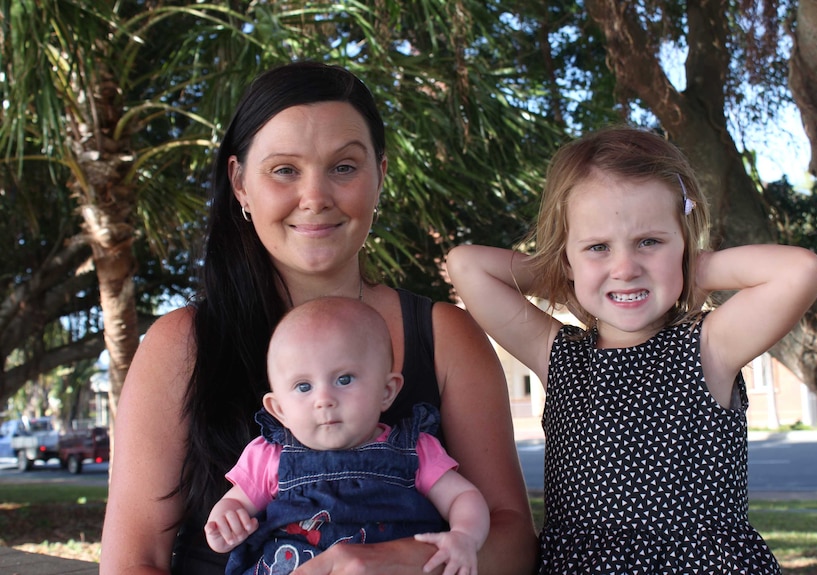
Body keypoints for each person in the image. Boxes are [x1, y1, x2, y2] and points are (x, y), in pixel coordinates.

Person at [99, 61, 538, 575]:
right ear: (240, 183)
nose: (315, 198)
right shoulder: (182, 343)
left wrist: (399, 562)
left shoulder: (444, 336)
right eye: (284, 170)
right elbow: (131, 562)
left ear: (381, 175)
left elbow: (514, 541)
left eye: (344, 167)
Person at [447, 125, 817, 574]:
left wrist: (691, 268)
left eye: (650, 242)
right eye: (598, 247)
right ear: (566, 258)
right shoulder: (558, 355)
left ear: (684, 242)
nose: (625, 268)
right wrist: (566, 275)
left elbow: (801, 269)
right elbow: (465, 265)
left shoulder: (709, 346)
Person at [204, 297, 489, 575]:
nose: (324, 399)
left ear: (387, 391)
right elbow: (236, 503)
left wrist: (464, 536)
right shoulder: (270, 455)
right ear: (279, 409)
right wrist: (226, 521)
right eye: (304, 387)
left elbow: (462, 496)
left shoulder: (414, 450)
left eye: (344, 379)